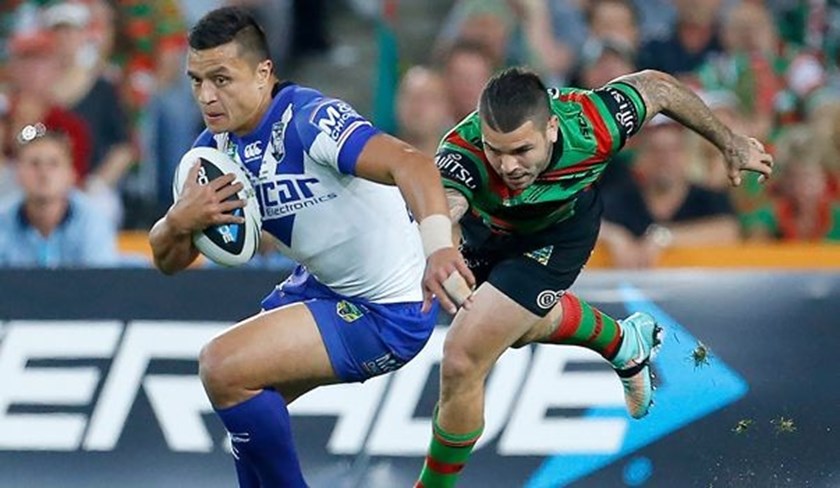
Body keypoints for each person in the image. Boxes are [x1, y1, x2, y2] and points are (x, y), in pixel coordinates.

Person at [147, 7, 472, 487]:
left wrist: (439, 247)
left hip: (390, 308)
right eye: (196, 81)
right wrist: (179, 222)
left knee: (224, 367)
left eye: (221, 79)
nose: (206, 96)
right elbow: (169, 262)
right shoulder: (214, 152)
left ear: (263, 73)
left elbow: (412, 163)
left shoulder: (309, 119)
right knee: (247, 410)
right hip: (324, 288)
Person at [415, 66, 773, 487]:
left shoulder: (592, 122)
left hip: (558, 236)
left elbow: (658, 88)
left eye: (522, 150)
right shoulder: (461, 150)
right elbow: (447, 203)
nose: (508, 165)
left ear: (551, 129)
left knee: (462, 357)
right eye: (496, 151)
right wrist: (438, 245)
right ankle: (622, 342)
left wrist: (729, 141)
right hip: (486, 234)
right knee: (516, 330)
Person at [0, 123, 118, 268]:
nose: (44, 173)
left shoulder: (93, 221)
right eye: (34, 164)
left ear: (71, 174)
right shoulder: (2, 220)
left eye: (53, 164)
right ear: (18, 173)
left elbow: (102, 278)